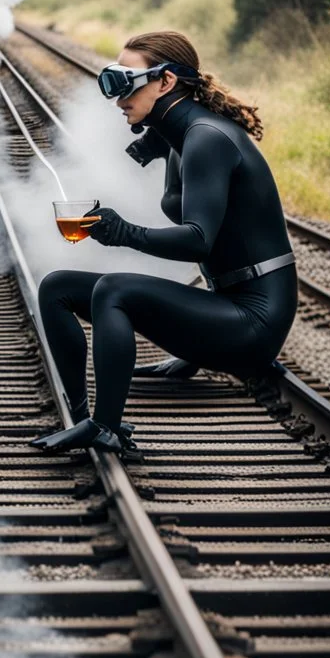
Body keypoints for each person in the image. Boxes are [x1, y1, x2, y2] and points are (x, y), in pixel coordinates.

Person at [31, 30, 297, 455]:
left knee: (116, 290)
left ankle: (105, 426)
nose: (118, 98)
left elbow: (198, 242)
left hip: (254, 325)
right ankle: (82, 417)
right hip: (225, 307)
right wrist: (157, 138)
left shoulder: (206, 138)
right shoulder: (180, 133)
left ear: (167, 82)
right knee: (57, 286)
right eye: (114, 81)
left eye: (127, 82)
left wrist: (123, 233)